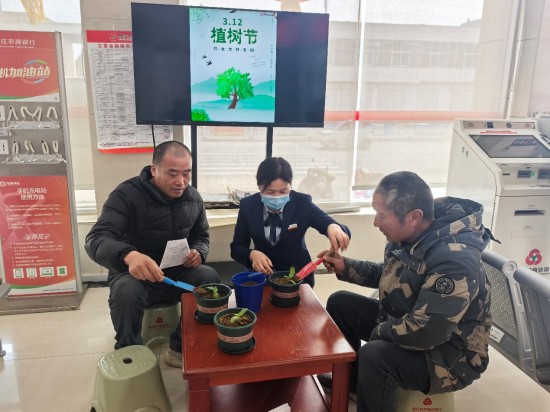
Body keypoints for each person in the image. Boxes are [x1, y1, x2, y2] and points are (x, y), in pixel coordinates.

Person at [318, 171, 493, 412]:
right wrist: (346, 267)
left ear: (414, 217)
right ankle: (355, 383)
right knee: (341, 303)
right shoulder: (410, 235)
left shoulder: (454, 259)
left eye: (381, 216)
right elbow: (392, 276)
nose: (375, 223)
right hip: (412, 320)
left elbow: (428, 331)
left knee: (374, 355)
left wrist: (380, 331)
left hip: (451, 353)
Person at [85, 141, 219, 368]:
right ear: (154, 170)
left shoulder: (193, 198)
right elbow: (95, 239)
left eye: (186, 174)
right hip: (133, 274)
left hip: (175, 274)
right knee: (125, 291)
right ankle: (130, 355)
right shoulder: (126, 195)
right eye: (172, 174)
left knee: (209, 278)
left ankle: (179, 346)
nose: (181, 182)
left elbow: (201, 235)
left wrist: (199, 251)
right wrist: (129, 255)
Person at [230, 156, 351, 287]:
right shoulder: (248, 206)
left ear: (290, 186)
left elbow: (330, 224)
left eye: (283, 191)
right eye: (270, 192)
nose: (277, 197)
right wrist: (252, 254)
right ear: (259, 186)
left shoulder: (302, 203)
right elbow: (236, 248)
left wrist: (333, 227)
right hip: (263, 276)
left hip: (298, 277)